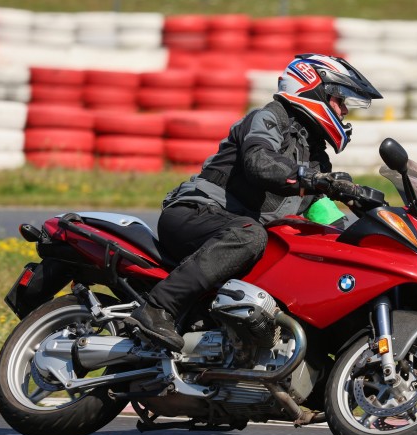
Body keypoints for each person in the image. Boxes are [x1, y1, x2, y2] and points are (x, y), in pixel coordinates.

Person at [130, 53, 382, 352]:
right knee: (251, 235)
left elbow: (325, 217)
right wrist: (314, 179)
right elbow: (259, 162)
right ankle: (158, 307)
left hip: (233, 235)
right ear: (314, 89)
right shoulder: (269, 118)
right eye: (340, 101)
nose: (343, 112)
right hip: (196, 215)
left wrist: (363, 244)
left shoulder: (315, 157)